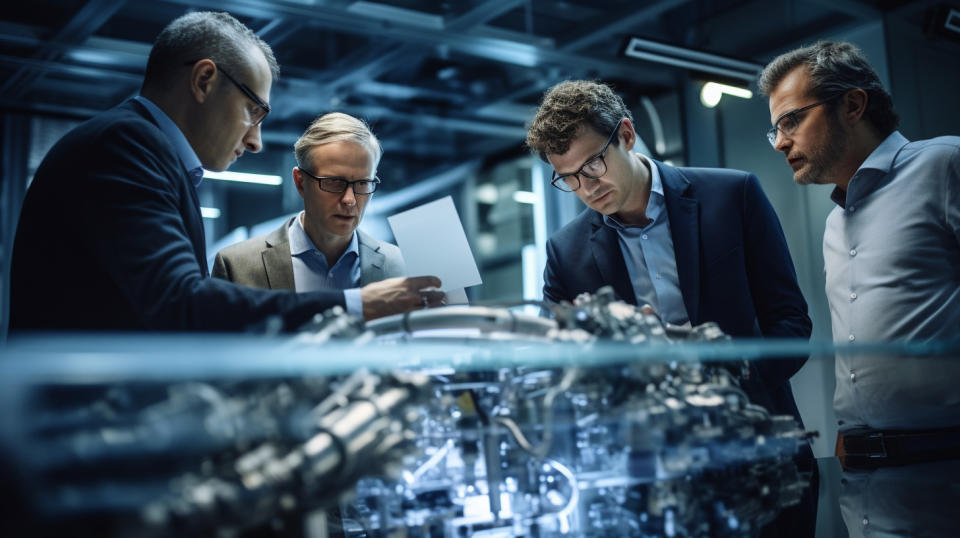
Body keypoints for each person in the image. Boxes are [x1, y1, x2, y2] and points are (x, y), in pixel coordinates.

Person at [8, 11, 441, 332]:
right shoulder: (125, 147)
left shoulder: (143, 152)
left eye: (362, 184)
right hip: (76, 435)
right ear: (203, 81)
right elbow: (180, 302)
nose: (255, 141)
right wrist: (356, 305)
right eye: (253, 112)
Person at [761, 41, 960, 537]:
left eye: (791, 121)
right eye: (776, 130)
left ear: (852, 105)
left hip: (944, 470)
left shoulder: (944, 166)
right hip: (864, 482)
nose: (781, 142)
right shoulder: (835, 221)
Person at [527, 80, 812, 414]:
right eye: (569, 178)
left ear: (627, 135)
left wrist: (725, 384)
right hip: (644, 447)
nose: (587, 187)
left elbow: (790, 323)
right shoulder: (565, 253)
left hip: (754, 425)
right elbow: (554, 360)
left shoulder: (734, 195)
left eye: (593, 164)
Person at [212, 113, 404, 310]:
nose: (349, 200)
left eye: (363, 183)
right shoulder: (236, 267)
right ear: (300, 182)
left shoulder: (400, 265)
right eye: (334, 182)